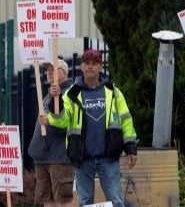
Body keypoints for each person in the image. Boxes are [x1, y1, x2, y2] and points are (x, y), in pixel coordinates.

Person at [40, 49, 138, 207]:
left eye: (95, 63)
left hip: (109, 158)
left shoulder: (114, 92)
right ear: (81, 67)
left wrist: (131, 148)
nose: (90, 66)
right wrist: (54, 101)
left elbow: (126, 120)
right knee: (85, 203)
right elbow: (63, 120)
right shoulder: (72, 93)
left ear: (101, 67)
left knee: (117, 202)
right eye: (87, 63)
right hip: (82, 158)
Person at [28, 59, 74, 207]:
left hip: (59, 157)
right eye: (48, 69)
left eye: (54, 69)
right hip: (43, 157)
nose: (49, 72)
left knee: (62, 200)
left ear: (64, 73)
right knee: (46, 200)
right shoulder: (49, 95)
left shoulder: (70, 93)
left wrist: (51, 120)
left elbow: (67, 121)